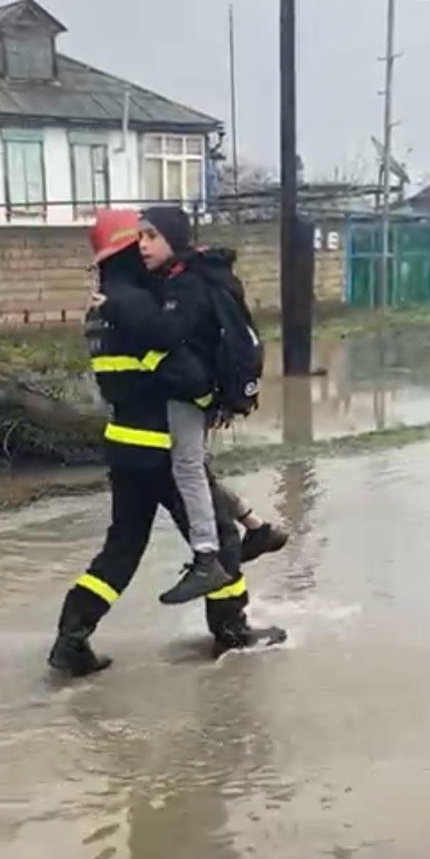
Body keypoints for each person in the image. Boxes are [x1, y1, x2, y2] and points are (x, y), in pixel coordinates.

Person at [48, 210, 284, 678]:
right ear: (124, 252)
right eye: (136, 242)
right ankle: (232, 633)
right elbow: (181, 370)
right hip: (160, 446)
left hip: (123, 443)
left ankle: (71, 637)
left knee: (121, 550)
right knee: (219, 537)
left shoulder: (101, 308)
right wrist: (210, 394)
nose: (143, 249)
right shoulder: (139, 305)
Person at [106, 204, 287, 605]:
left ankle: (207, 557)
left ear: (174, 237)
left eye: (151, 236)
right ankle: (255, 527)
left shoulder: (186, 283)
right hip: (207, 385)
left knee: (186, 467)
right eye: (139, 237)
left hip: (192, 388)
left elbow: (168, 332)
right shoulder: (191, 274)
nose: (143, 245)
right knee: (196, 467)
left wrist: (116, 306)